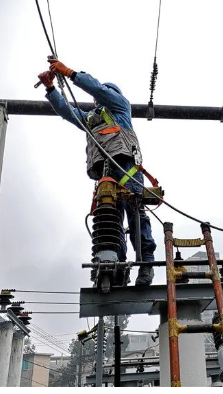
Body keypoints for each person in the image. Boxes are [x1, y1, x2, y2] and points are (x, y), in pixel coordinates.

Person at [38, 58, 156, 286]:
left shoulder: (121, 107)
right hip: (105, 177)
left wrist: (71, 73)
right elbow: (66, 111)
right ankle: (118, 270)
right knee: (111, 225)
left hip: (128, 172)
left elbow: (98, 89)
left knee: (137, 220)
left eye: (102, 96)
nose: (97, 100)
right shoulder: (91, 119)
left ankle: (145, 268)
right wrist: (51, 88)